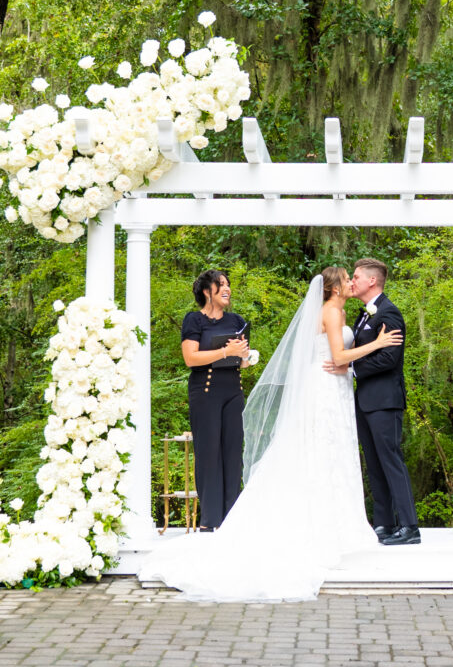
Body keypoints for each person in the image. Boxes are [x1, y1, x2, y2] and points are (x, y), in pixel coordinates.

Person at [138, 267, 402, 601]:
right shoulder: (332, 312)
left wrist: (244, 357)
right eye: (347, 278)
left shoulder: (331, 311)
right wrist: (377, 344)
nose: (352, 282)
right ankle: (311, 527)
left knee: (316, 452)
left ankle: (325, 522)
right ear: (333, 288)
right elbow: (336, 355)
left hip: (322, 387)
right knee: (322, 451)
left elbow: (314, 355)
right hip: (318, 389)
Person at [347, 257, 420, 545]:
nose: (352, 281)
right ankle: (384, 523)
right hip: (365, 400)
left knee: (391, 460)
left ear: (371, 281)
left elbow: (390, 358)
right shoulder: (364, 314)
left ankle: (410, 526)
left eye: (356, 277)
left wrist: (352, 369)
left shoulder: (389, 314)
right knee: (374, 463)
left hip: (384, 400)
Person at [181, 270, 250, 531]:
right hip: (205, 390)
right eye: (221, 284)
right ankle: (210, 522)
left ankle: (232, 520)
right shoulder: (194, 320)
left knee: (233, 453)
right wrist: (225, 351)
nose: (227, 288)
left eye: (228, 284)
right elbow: (190, 358)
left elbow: (242, 362)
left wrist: (244, 355)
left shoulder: (236, 320)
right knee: (209, 454)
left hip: (233, 388)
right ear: (207, 291)